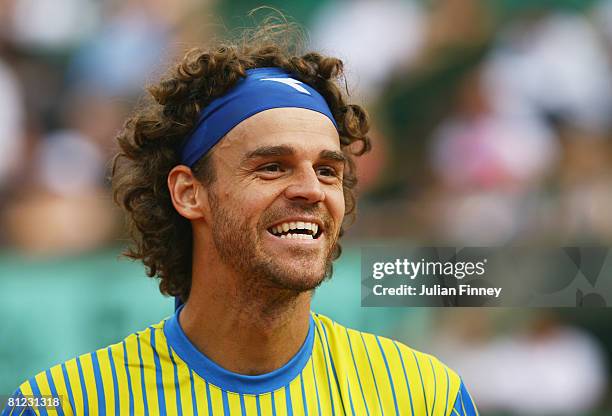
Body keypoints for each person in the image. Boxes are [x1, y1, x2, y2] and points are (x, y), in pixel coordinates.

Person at [2, 22, 478, 416]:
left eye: (328, 171)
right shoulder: (60, 403)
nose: (312, 190)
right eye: (272, 166)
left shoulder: (425, 395)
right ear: (189, 193)